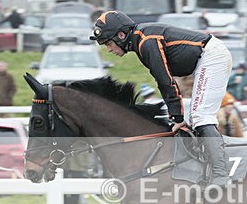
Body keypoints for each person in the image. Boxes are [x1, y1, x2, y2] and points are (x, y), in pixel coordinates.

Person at [90, 10, 233, 186]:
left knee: (201, 117)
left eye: (109, 43)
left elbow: (166, 82)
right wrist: (177, 117)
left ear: (121, 35)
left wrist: (177, 118)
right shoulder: (141, 40)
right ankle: (208, 167)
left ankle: (221, 174)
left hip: (212, 57)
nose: (109, 49)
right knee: (197, 117)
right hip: (208, 57)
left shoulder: (146, 42)